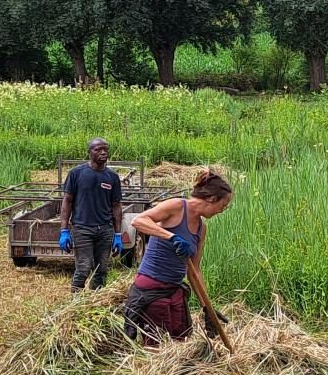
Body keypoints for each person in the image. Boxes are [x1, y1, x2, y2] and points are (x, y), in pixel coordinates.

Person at [122, 170, 234, 345]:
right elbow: (139, 221)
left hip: (174, 289)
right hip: (152, 288)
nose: (222, 210)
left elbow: (194, 271)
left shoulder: (201, 228)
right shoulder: (177, 207)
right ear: (212, 198)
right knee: (157, 344)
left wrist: (207, 308)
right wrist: (171, 237)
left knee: (182, 342)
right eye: (223, 205)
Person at [58, 137, 128, 292]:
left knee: (101, 269)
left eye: (105, 149)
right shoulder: (76, 174)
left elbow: (116, 206)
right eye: (98, 150)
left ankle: (96, 301)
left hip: (104, 229)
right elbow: (67, 202)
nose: (103, 153)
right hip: (83, 229)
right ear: (89, 152)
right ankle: (75, 301)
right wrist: (64, 230)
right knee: (83, 267)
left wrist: (117, 234)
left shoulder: (112, 177)